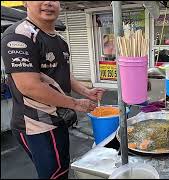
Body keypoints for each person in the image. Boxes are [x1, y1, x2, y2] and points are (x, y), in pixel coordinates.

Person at [1, 1, 105, 179]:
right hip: (37, 125)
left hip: (58, 118)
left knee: (60, 170)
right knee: (55, 175)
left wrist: (86, 91)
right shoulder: (19, 36)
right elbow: (29, 86)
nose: (48, 3)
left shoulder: (59, 41)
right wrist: (75, 103)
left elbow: (63, 74)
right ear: (26, 2)